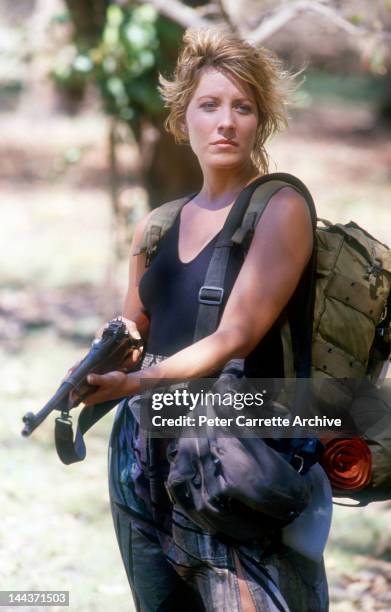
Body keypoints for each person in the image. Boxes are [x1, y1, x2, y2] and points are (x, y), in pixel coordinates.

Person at [84, 26, 330, 612]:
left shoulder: (280, 208)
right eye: (210, 105)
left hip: (239, 460)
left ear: (260, 122)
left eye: (243, 107)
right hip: (144, 460)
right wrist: (100, 360)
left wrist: (140, 382)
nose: (226, 122)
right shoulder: (158, 226)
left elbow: (235, 335)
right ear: (182, 119)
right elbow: (133, 330)